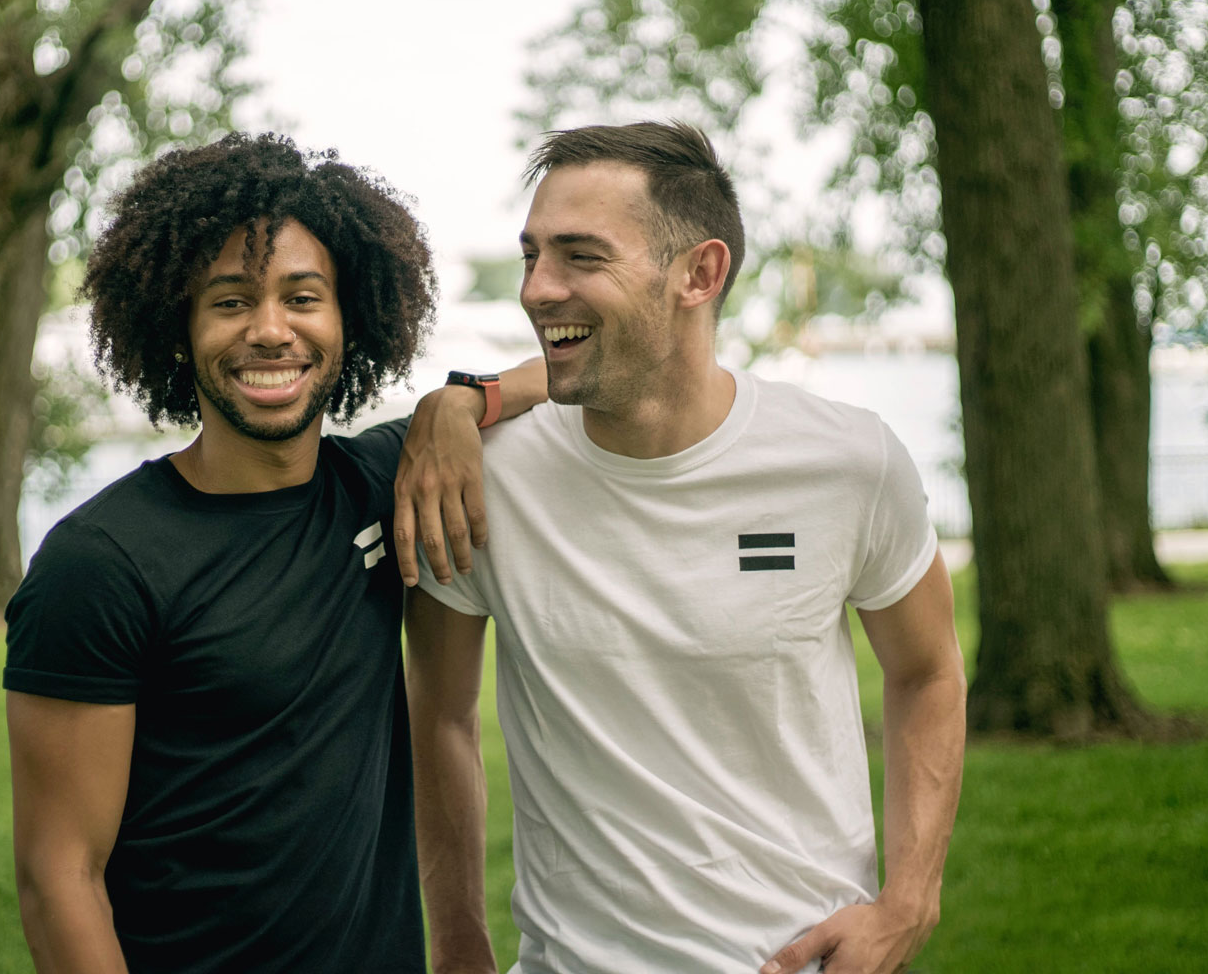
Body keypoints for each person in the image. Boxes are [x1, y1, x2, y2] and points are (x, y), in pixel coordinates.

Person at [405, 121, 967, 974]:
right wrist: (457, 947)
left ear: (699, 274)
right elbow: (438, 715)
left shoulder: (849, 461)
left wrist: (910, 900)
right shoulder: (484, 479)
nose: (538, 289)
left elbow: (928, 671)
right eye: (531, 256)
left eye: (581, 257)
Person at [3, 133, 543, 974]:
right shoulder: (100, 563)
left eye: (302, 298)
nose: (269, 331)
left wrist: (459, 399)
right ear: (178, 331)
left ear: (347, 321)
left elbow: (565, 373)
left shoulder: (380, 484)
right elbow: (58, 874)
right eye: (229, 303)